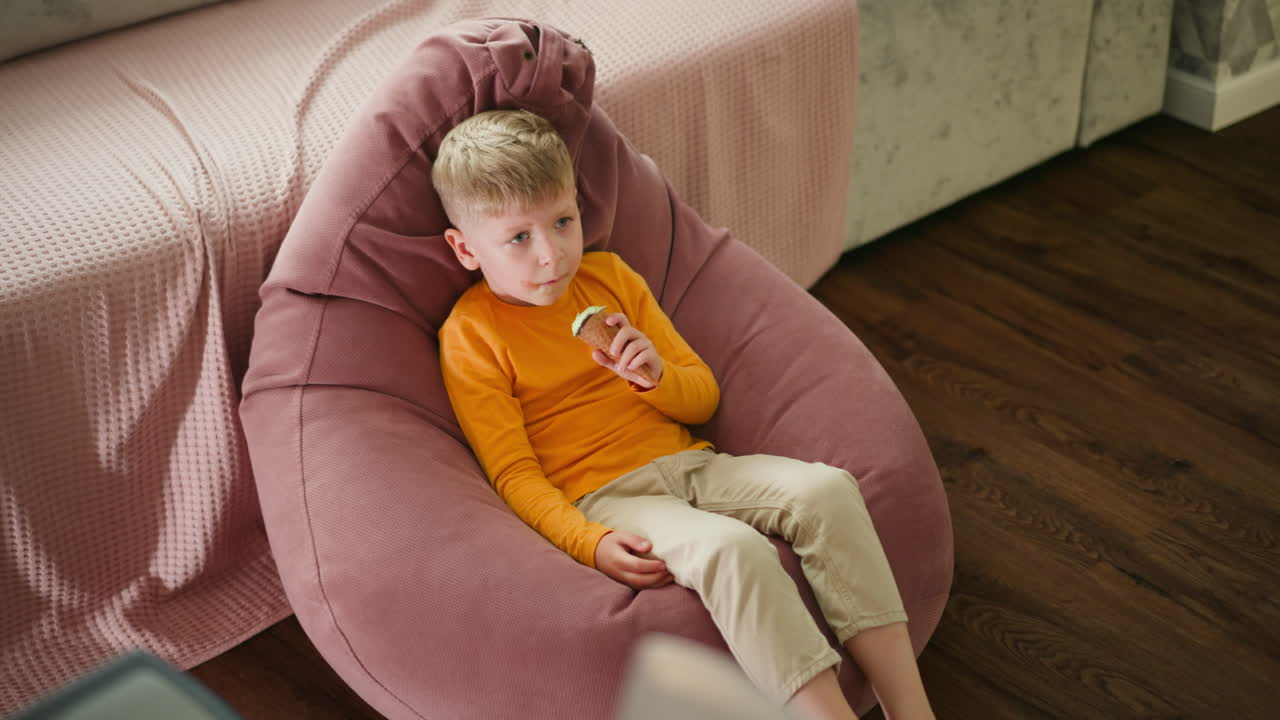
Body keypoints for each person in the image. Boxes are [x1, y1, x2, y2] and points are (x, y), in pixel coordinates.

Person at [435, 109, 935, 720]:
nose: (551, 255)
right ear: (465, 248)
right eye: (519, 237)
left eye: (563, 221)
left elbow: (703, 397)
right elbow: (513, 474)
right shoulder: (472, 335)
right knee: (734, 551)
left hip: (691, 465)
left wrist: (654, 377)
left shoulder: (611, 278)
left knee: (826, 489)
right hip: (605, 497)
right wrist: (587, 543)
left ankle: (912, 709)